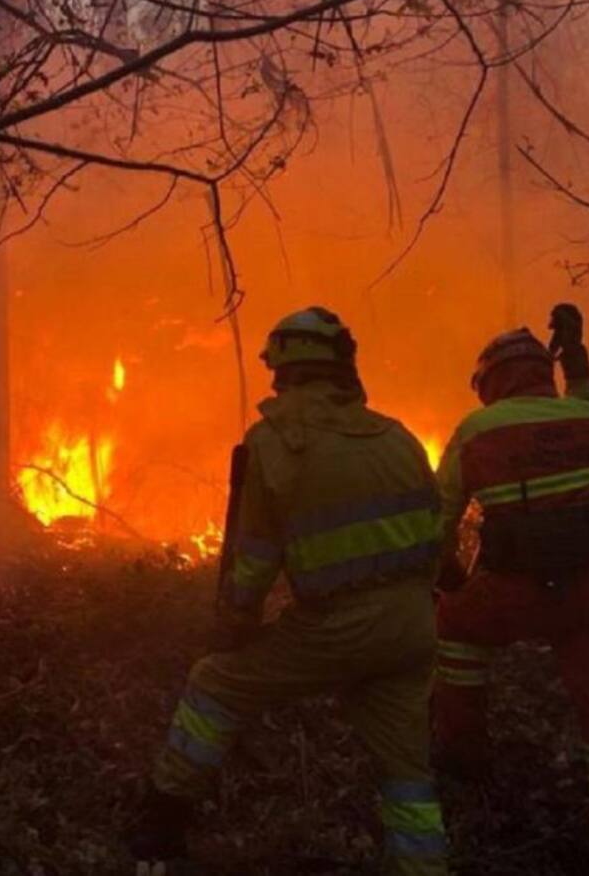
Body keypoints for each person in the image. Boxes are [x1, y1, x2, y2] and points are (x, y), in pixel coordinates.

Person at [130, 307, 448, 876]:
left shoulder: (276, 441)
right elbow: (435, 536)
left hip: (339, 626)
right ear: (342, 365)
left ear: (280, 368)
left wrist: (233, 626)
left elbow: (254, 560)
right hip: (412, 626)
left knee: (216, 684)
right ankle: (424, 867)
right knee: (407, 774)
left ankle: (160, 826)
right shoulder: (398, 437)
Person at [432, 305, 589, 875]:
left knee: (453, 628)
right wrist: (575, 351)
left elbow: (437, 518)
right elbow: (588, 395)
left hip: (517, 590)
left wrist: (446, 575)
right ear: (540, 372)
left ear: (490, 382)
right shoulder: (583, 415)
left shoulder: (478, 430)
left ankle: (463, 758)